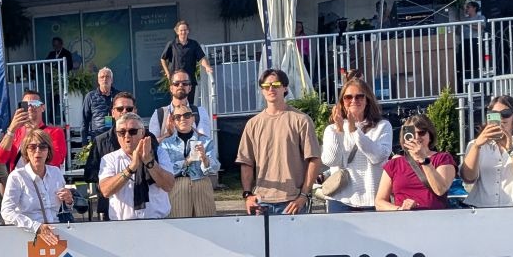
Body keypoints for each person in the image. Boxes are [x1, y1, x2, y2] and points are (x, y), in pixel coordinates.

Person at [237, 69, 320, 216]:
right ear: (262, 90)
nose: (271, 89)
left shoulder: (301, 120)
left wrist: (304, 195)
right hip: (261, 202)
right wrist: (248, 195)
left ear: (285, 87)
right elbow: (246, 163)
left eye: (276, 84)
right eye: (266, 85)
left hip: (293, 202)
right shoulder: (253, 124)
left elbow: (314, 160)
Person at [319, 75, 392, 213]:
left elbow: (377, 157)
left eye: (359, 96)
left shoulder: (382, 126)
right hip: (340, 199)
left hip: (372, 199)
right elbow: (330, 160)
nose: (354, 100)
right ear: (342, 102)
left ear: (367, 100)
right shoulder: (332, 129)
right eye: (348, 97)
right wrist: (339, 131)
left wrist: (354, 130)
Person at [460, 95, 513, 208]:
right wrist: (476, 146)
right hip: (483, 209)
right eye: (494, 114)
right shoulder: (475, 145)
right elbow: (468, 178)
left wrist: (510, 149)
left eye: (506, 113)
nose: (501, 118)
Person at [0, 129, 74, 242]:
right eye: (32, 147)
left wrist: (68, 200)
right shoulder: (17, 176)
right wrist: (36, 227)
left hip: (57, 233)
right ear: (26, 151)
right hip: (28, 236)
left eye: (43, 147)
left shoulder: (56, 172)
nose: (37, 151)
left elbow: (64, 208)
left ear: (48, 151)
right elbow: (6, 212)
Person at [375, 115, 456, 211]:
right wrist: (399, 209)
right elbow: (379, 202)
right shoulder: (394, 164)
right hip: (404, 220)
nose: (417, 137)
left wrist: (423, 159)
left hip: (434, 219)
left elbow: (440, 189)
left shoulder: (443, 159)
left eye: (421, 133)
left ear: (430, 136)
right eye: (412, 133)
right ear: (405, 137)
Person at [82, 92, 139, 221]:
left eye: (129, 109)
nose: (124, 112)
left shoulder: (147, 137)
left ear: (135, 111)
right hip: (111, 206)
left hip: (144, 207)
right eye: (120, 109)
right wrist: (111, 177)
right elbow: (90, 173)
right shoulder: (101, 141)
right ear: (113, 112)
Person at [155, 107, 217, 218]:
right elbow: (166, 170)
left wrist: (204, 159)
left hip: (201, 184)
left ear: (193, 118)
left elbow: (214, 167)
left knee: (207, 224)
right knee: (179, 225)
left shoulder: (206, 141)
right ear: (173, 121)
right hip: (177, 186)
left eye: (187, 115)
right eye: (177, 117)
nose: (182, 119)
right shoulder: (166, 144)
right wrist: (186, 161)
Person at [97, 113, 160, 221]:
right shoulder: (109, 159)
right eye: (121, 132)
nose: (127, 136)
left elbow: (169, 185)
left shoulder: (159, 153)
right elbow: (106, 191)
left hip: (158, 222)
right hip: (122, 225)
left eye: (132, 131)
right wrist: (131, 168)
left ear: (142, 132)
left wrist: (149, 162)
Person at [0, 89, 68, 171]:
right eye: (26, 104)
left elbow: (57, 160)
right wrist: (11, 129)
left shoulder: (55, 132)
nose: (30, 107)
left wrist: (35, 132)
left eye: (34, 103)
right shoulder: (15, 133)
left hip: (44, 181)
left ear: (43, 107)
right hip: (20, 181)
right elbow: (0, 158)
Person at [149, 71, 215, 142]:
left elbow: (205, 142)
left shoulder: (200, 112)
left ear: (189, 88)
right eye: (176, 83)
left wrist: (188, 128)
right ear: (171, 88)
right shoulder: (159, 114)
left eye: (185, 83)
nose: (180, 86)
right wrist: (168, 134)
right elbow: (152, 145)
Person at [159, 20, 212, 103]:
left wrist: (207, 66)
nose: (183, 32)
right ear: (177, 32)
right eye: (181, 30)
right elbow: (163, 59)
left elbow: (201, 58)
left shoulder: (194, 44)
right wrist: (167, 73)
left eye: (185, 30)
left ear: (188, 31)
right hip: (175, 81)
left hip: (189, 80)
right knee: (176, 104)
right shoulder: (172, 44)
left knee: (189, 104)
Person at [80, 67, 116, 145]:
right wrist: (84, 141)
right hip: (98, 138)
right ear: (98, 80)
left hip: (116, 136)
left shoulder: (118, 96)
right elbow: (85, 121)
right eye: (102, 77)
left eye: (107, 77)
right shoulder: (90, 96)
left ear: (112, 80)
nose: (105, 79)